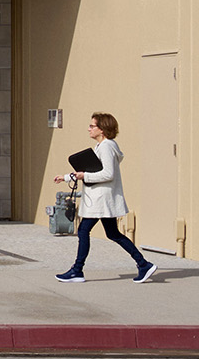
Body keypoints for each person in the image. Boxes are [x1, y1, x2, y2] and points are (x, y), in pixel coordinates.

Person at [54, 112, 157, 284]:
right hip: (101, 199)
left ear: (102, 130)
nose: (89, 129)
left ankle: (77, 271)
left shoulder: (107, 147)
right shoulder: (102, 147)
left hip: (100, 199)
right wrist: (66, 177)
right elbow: (92, 170)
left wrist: (84, 176)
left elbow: (107, 174)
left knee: (84, 230)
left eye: (92, 126)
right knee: (113, 233)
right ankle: (143, 264)